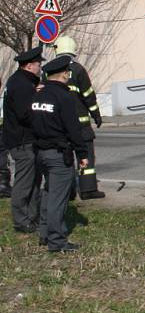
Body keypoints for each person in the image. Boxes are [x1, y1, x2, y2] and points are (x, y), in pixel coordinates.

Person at [32, 55, 89, 252]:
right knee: (58, 198)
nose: (68, 75)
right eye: (67, 72)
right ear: (64, 74)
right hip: (58, 154)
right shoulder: (64, 97)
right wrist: (82, 153)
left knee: (48, 193)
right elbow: (73, 129)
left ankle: (45, 233)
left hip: (40, 152)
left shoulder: (38, 94)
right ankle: (57, 241)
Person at [52, 36, 104, 200]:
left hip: (59, 124)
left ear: (57, 49)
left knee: (64, 158)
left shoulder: (49, 70)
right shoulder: (79, 70)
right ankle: (88, 190)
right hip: (81, 124)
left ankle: (67, 192)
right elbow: (88, 95)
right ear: (74, 50)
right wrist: (96, 114)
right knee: (86, 155)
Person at [3, 47, 45, 232]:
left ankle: (32, 217)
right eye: (38, 64)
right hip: (22, 141)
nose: (40, 68)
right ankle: (21, 220)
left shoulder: (24, 81)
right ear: (29, 66)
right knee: (25, 182)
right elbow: (25, 114)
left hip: (27, 140)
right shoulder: (21, 84)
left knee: (34, 181)